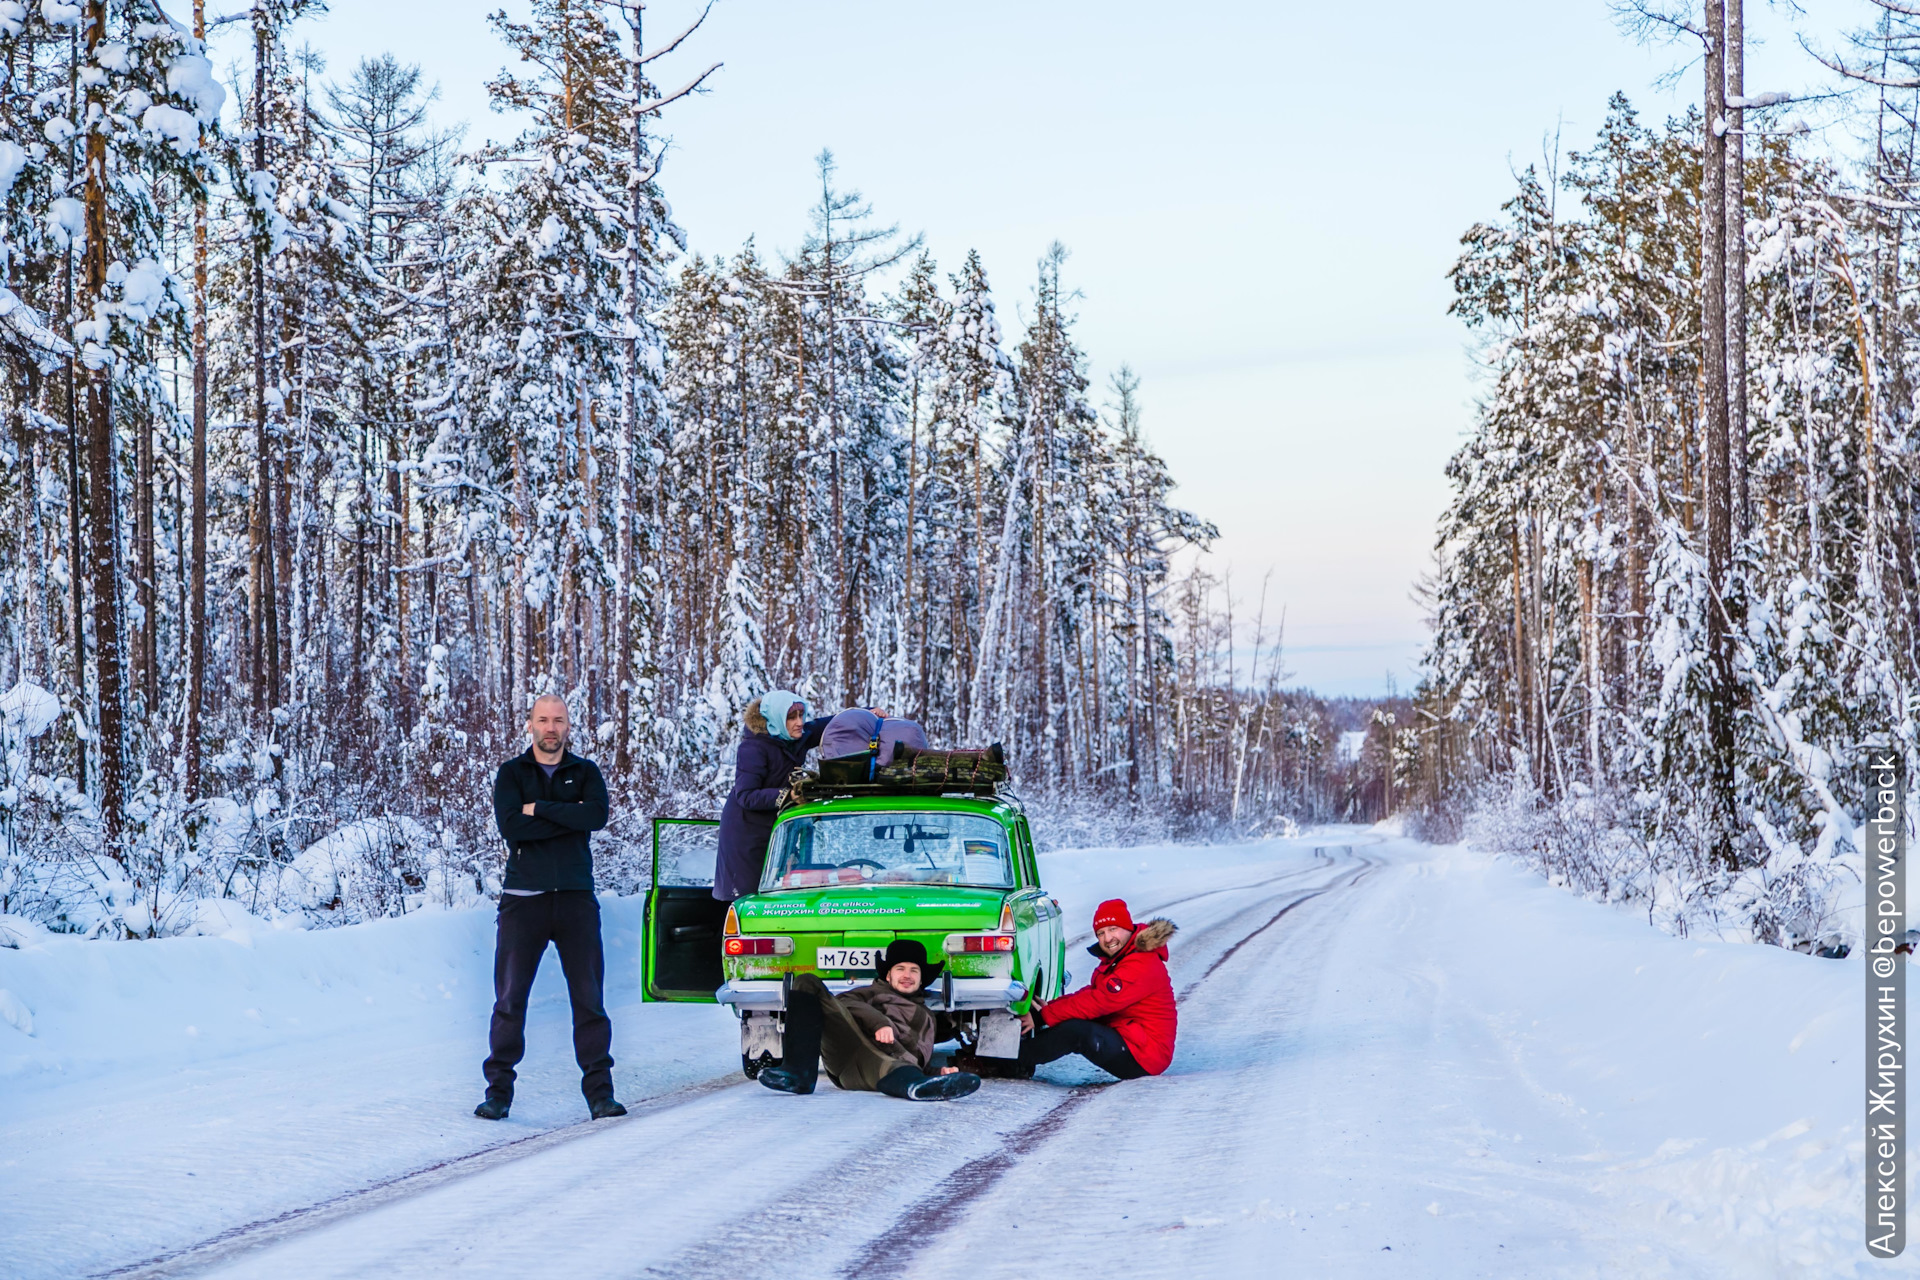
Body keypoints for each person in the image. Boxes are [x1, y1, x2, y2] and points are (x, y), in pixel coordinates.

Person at [475, 694, 623, 1122]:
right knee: (509, 1001)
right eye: (543, 720)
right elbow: (510, 825)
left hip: (576, 898)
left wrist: (538, 808)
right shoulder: (512, 773)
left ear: (568, 726)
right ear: (530, 725)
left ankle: (600, 1095)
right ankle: (498, 1093)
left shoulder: (585, 771)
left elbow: (594, 817)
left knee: (589, 1001)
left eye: (558, 720)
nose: (551, 727)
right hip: (524, 902)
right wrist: (566, 816)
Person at [759, 940, 982, 1101]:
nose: (907, 975)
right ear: (888, 975)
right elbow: (844, 1001)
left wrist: (936, 1073)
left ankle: (919, 1087)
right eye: (900, 969)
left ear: (921, 979)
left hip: (877, 1065)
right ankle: (798, 1075)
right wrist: (879, 1023)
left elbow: (917, 1057)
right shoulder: (873, 992)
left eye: (914, 971)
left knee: (895, 1067)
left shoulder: (928, 1018)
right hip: (848, 1044)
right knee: (806, 981)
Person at [1017, 898, 1178, 1080]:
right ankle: (1014, 1051)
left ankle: (1010, 1061)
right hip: (1132, 1040)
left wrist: (1042, 1016)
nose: (1107, 939)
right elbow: (1092, 992)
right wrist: (1051, 1008)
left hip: (1145, 1055)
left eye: (1113, 929)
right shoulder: (1125, 956)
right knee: (1071, 1019)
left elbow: (1100, 1001)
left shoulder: (1141, 962)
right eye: (1100, 933)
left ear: (1127, 927)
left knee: (1076, 1032)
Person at [715, 689, 830, 901]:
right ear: (776, 718)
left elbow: (826, 725)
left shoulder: (796, 736)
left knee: (777, 893)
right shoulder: (753, 747)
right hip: (745, 833)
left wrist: (868, 714)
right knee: (748, 898)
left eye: (801, 715)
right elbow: (746, 795)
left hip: (774, 828)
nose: (799, 722)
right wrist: (786, 796)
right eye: (791, 717)